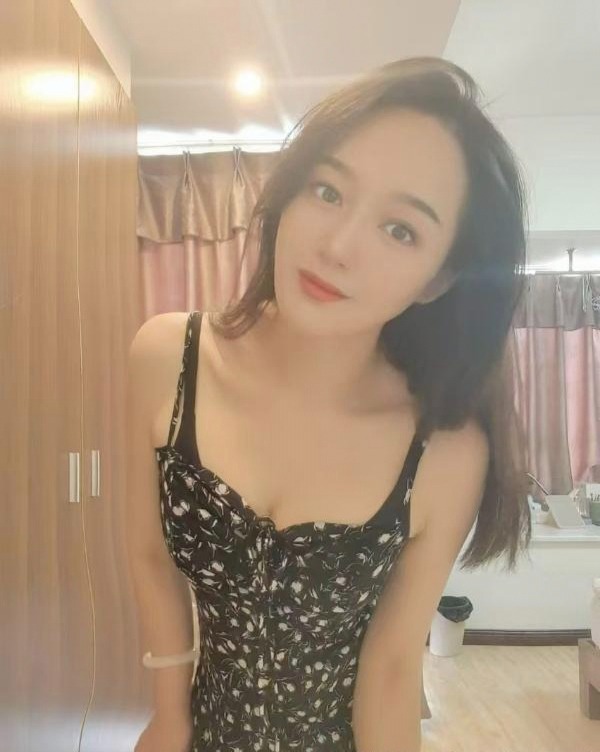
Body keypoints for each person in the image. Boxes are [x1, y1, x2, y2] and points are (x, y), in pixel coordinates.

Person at [126, 57, 532, 752]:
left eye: (400, 230)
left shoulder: (444, 447)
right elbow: (147, 555)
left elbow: (393, 669)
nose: (337, 247)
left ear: (438, 279)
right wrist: (168, 716)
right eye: (328, 190)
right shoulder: (168, 358)